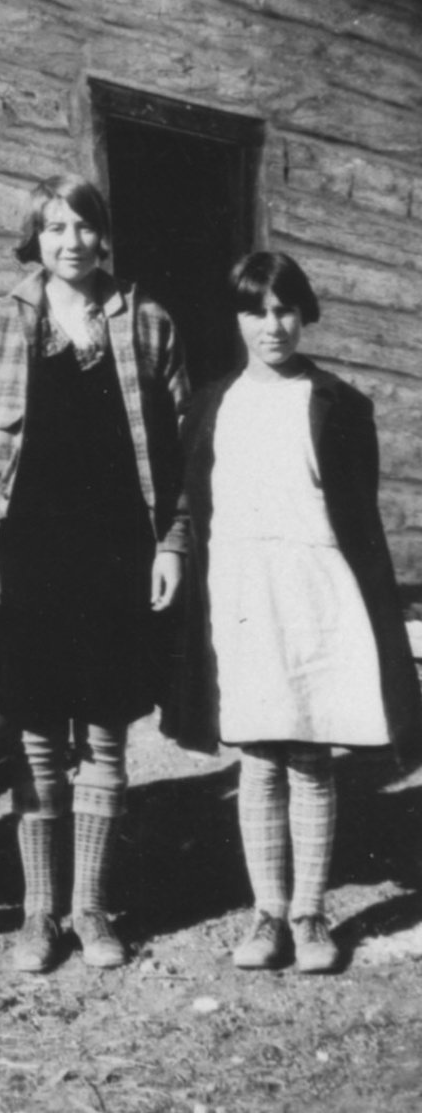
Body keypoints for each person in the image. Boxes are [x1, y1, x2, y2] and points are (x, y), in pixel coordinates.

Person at [0, 175, 188, 974]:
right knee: (36, 739)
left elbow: (182, 448)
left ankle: (90, 909)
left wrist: (173, 544)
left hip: (119, 553)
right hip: (29, 555)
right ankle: (37, 915)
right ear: (36, 238)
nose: (71, 242)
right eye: (55, 228)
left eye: (84, 226)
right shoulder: (3, 324)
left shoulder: (149, 322)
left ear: (103, 235)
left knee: (104, 730)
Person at [174, 251, 422, 974]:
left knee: (309, 752)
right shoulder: (214, 404)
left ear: (304, 313)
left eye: (285, 309)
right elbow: (198, 504)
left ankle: (311, 915)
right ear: (238, 319)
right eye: (256, 310)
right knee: (257, 750)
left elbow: (358, 517)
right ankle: (268, 915)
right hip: (244, 589)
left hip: (314, 585)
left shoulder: (338, 404)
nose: (272, 325)